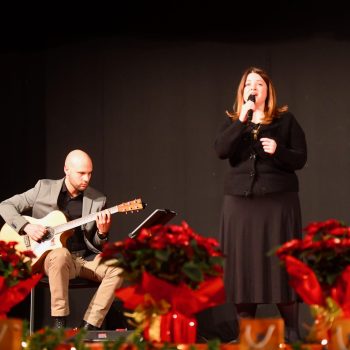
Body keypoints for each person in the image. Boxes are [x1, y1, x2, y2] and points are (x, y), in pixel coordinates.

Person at [214, 67, 307, 342]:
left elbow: (300, 159)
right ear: (242, 92)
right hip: (240, 206)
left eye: (259, 84)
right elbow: (221, 150)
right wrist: (241, 119)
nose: (253, 88)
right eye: (248, 84)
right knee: (242, 265)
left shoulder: (285, 121)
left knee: (281, 265)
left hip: (278, 203)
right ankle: (247, 333)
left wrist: (279, 151)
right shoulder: (234, 121)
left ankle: (291, 331)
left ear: (268, 91)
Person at [0, 149, 123, 330]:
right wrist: (27, 226)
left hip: (83, 259)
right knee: (60, 254)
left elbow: (98, 244)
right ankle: (59, 323)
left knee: (118, 269)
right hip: (50, 258)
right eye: (81, 173)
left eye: (90, 173)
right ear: (66, 169)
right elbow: (5, 206)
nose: (86, 179)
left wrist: (103, 233)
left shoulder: (98, 199)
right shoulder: (43, 188)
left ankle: (88, 326)